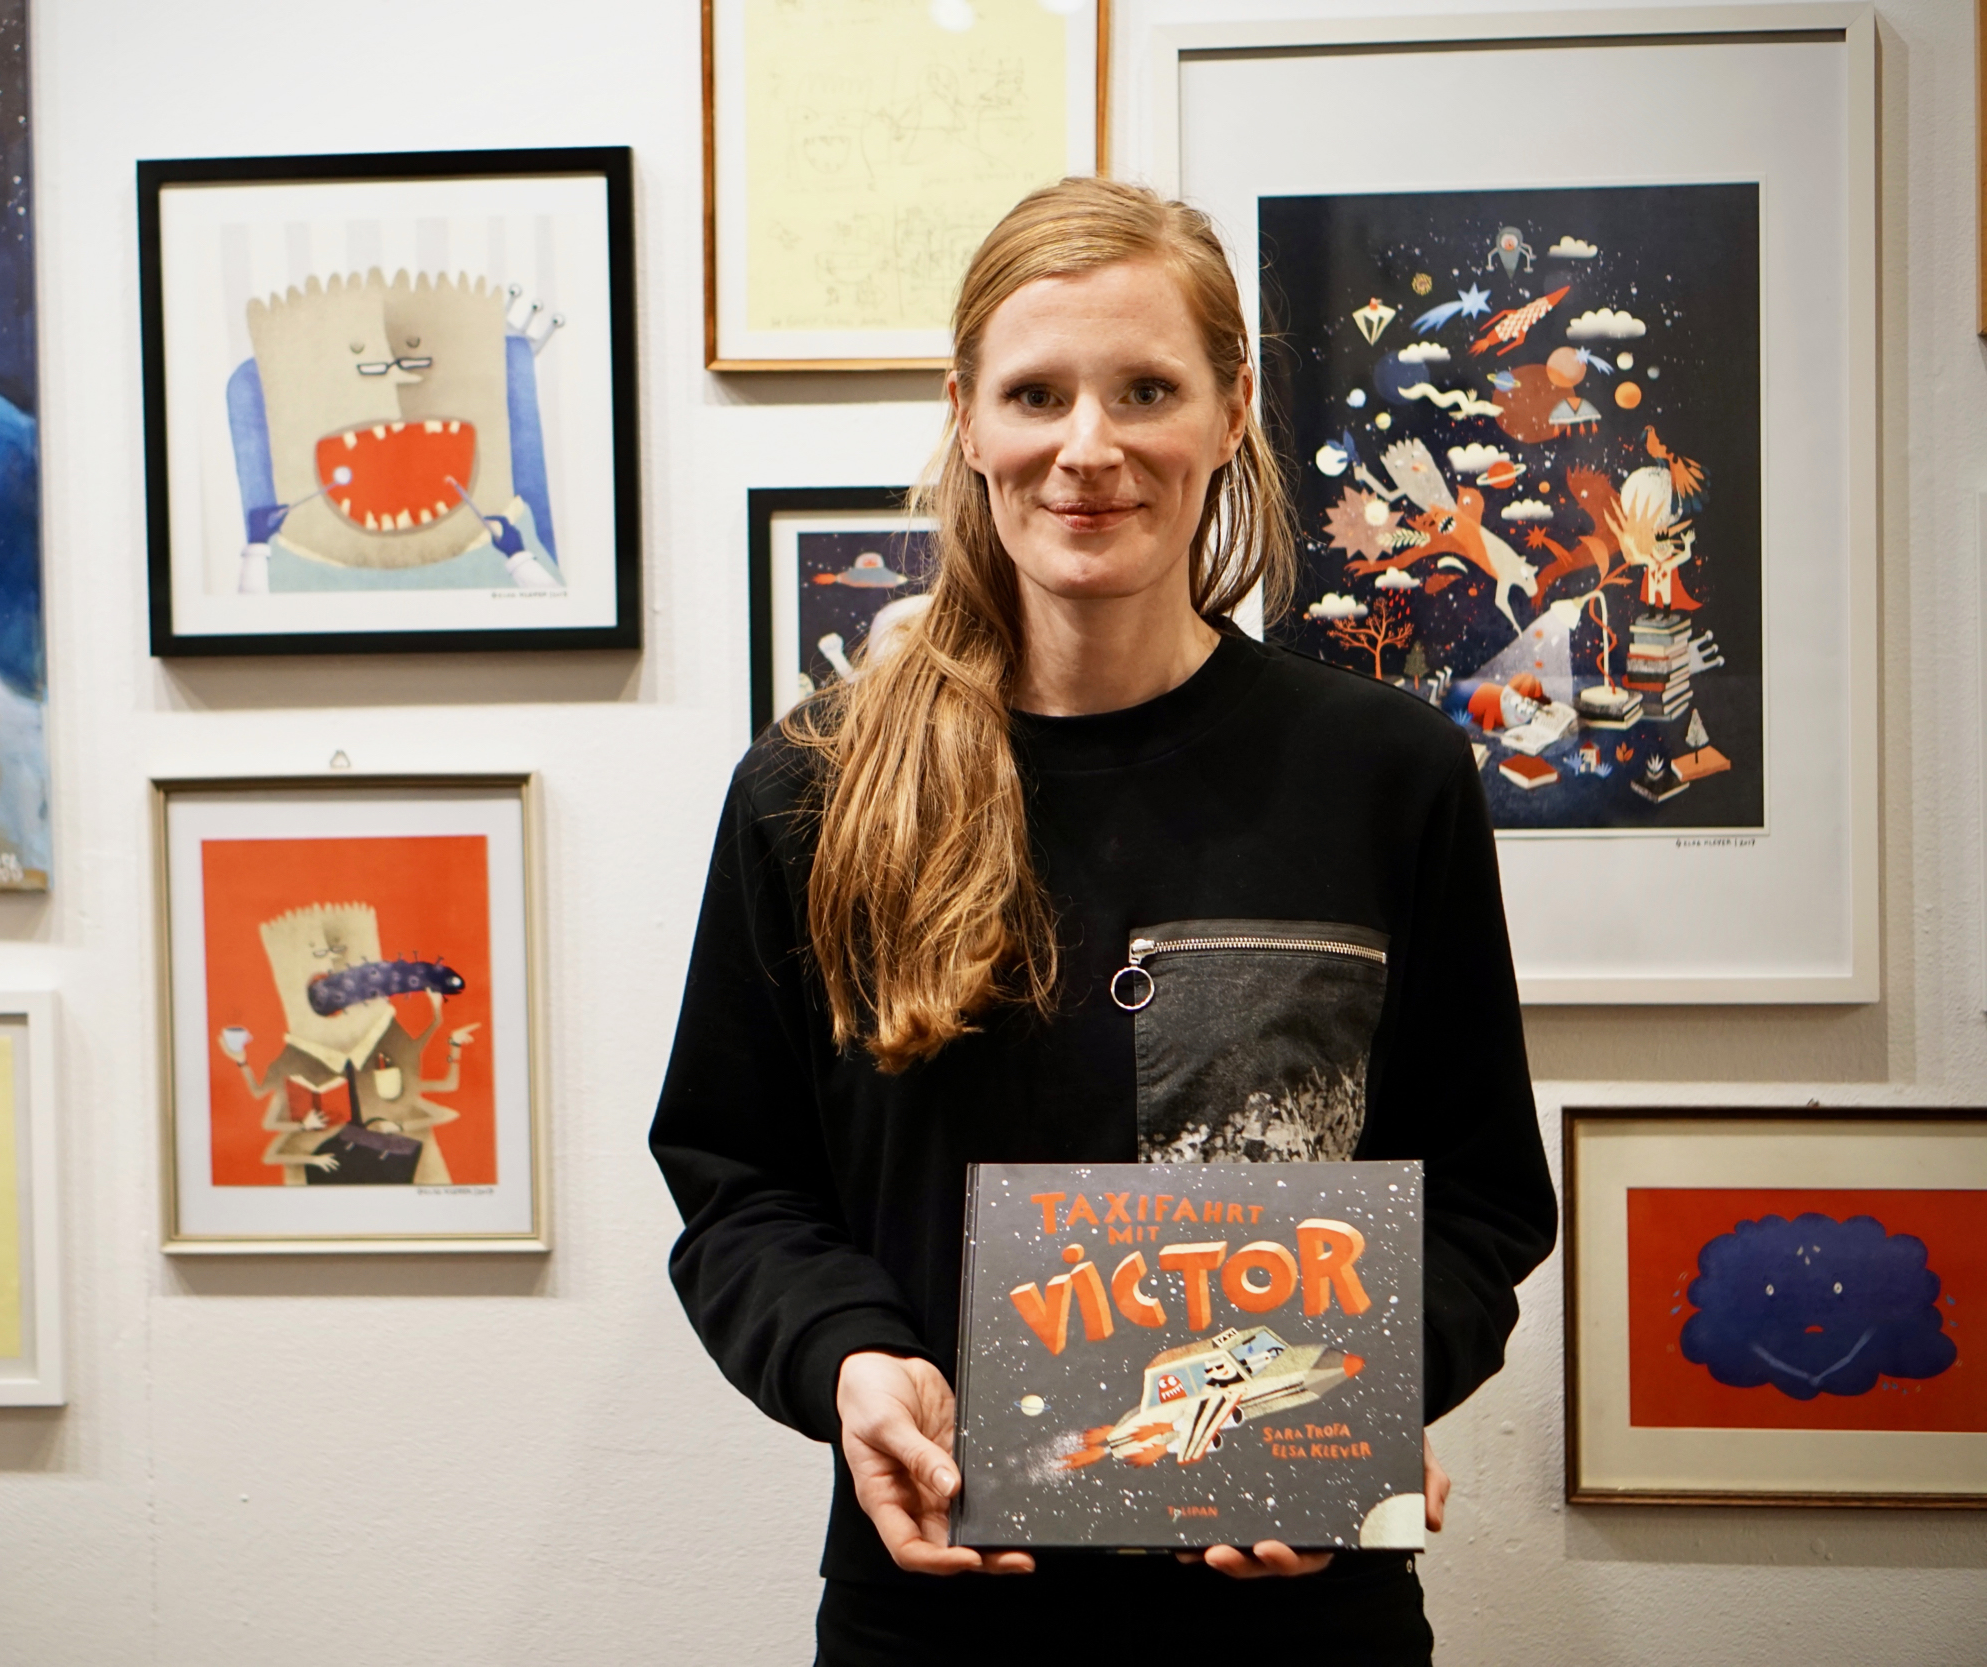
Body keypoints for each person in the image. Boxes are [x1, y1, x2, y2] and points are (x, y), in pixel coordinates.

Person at [649, 177, 1557, 1663]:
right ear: (967, 418)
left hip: (1299, 1614)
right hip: (939, 1612)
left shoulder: (1386, 773)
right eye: (1036, 394)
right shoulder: (814, 790)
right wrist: (849, 1357)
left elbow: (1482, 1196)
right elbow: (738, 1184)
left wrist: (1371, 1386)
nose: (1088, 447)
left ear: (1230, 410)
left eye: (1145, 389)